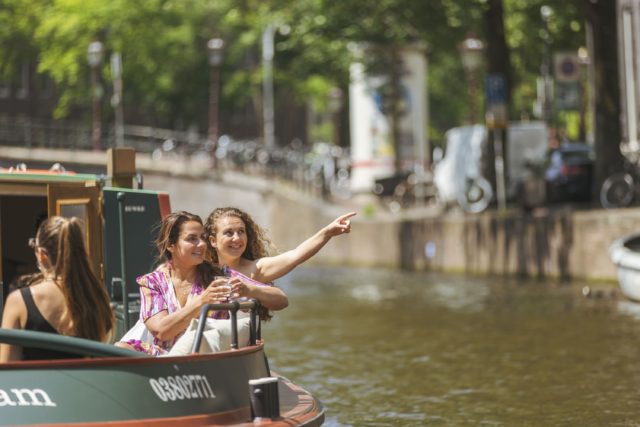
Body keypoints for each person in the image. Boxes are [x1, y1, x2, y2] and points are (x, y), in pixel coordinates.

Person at [117, 210, 287, 356]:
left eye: (203, 238)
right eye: (192, 239)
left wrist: (250, 290)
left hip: (204, 362)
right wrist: (202, 301)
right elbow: (161, 331)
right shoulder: (152, 282)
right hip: (162, 360)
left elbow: (281, 300)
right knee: (120, 348)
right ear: (171, 245)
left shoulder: (220, 276)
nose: (202, 244)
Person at [0, 216, 114, 362]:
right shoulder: (96, 299)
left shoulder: (19, 301)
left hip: (38, 378)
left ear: (42, 255)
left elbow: (7, 368)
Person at [203, 207, 356, 294]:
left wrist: (327, 232)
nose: (237, 238)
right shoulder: (199, 271)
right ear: (213, 241)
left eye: (241, 232)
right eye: (229, 233)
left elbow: (295, 256)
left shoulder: (256, 268)